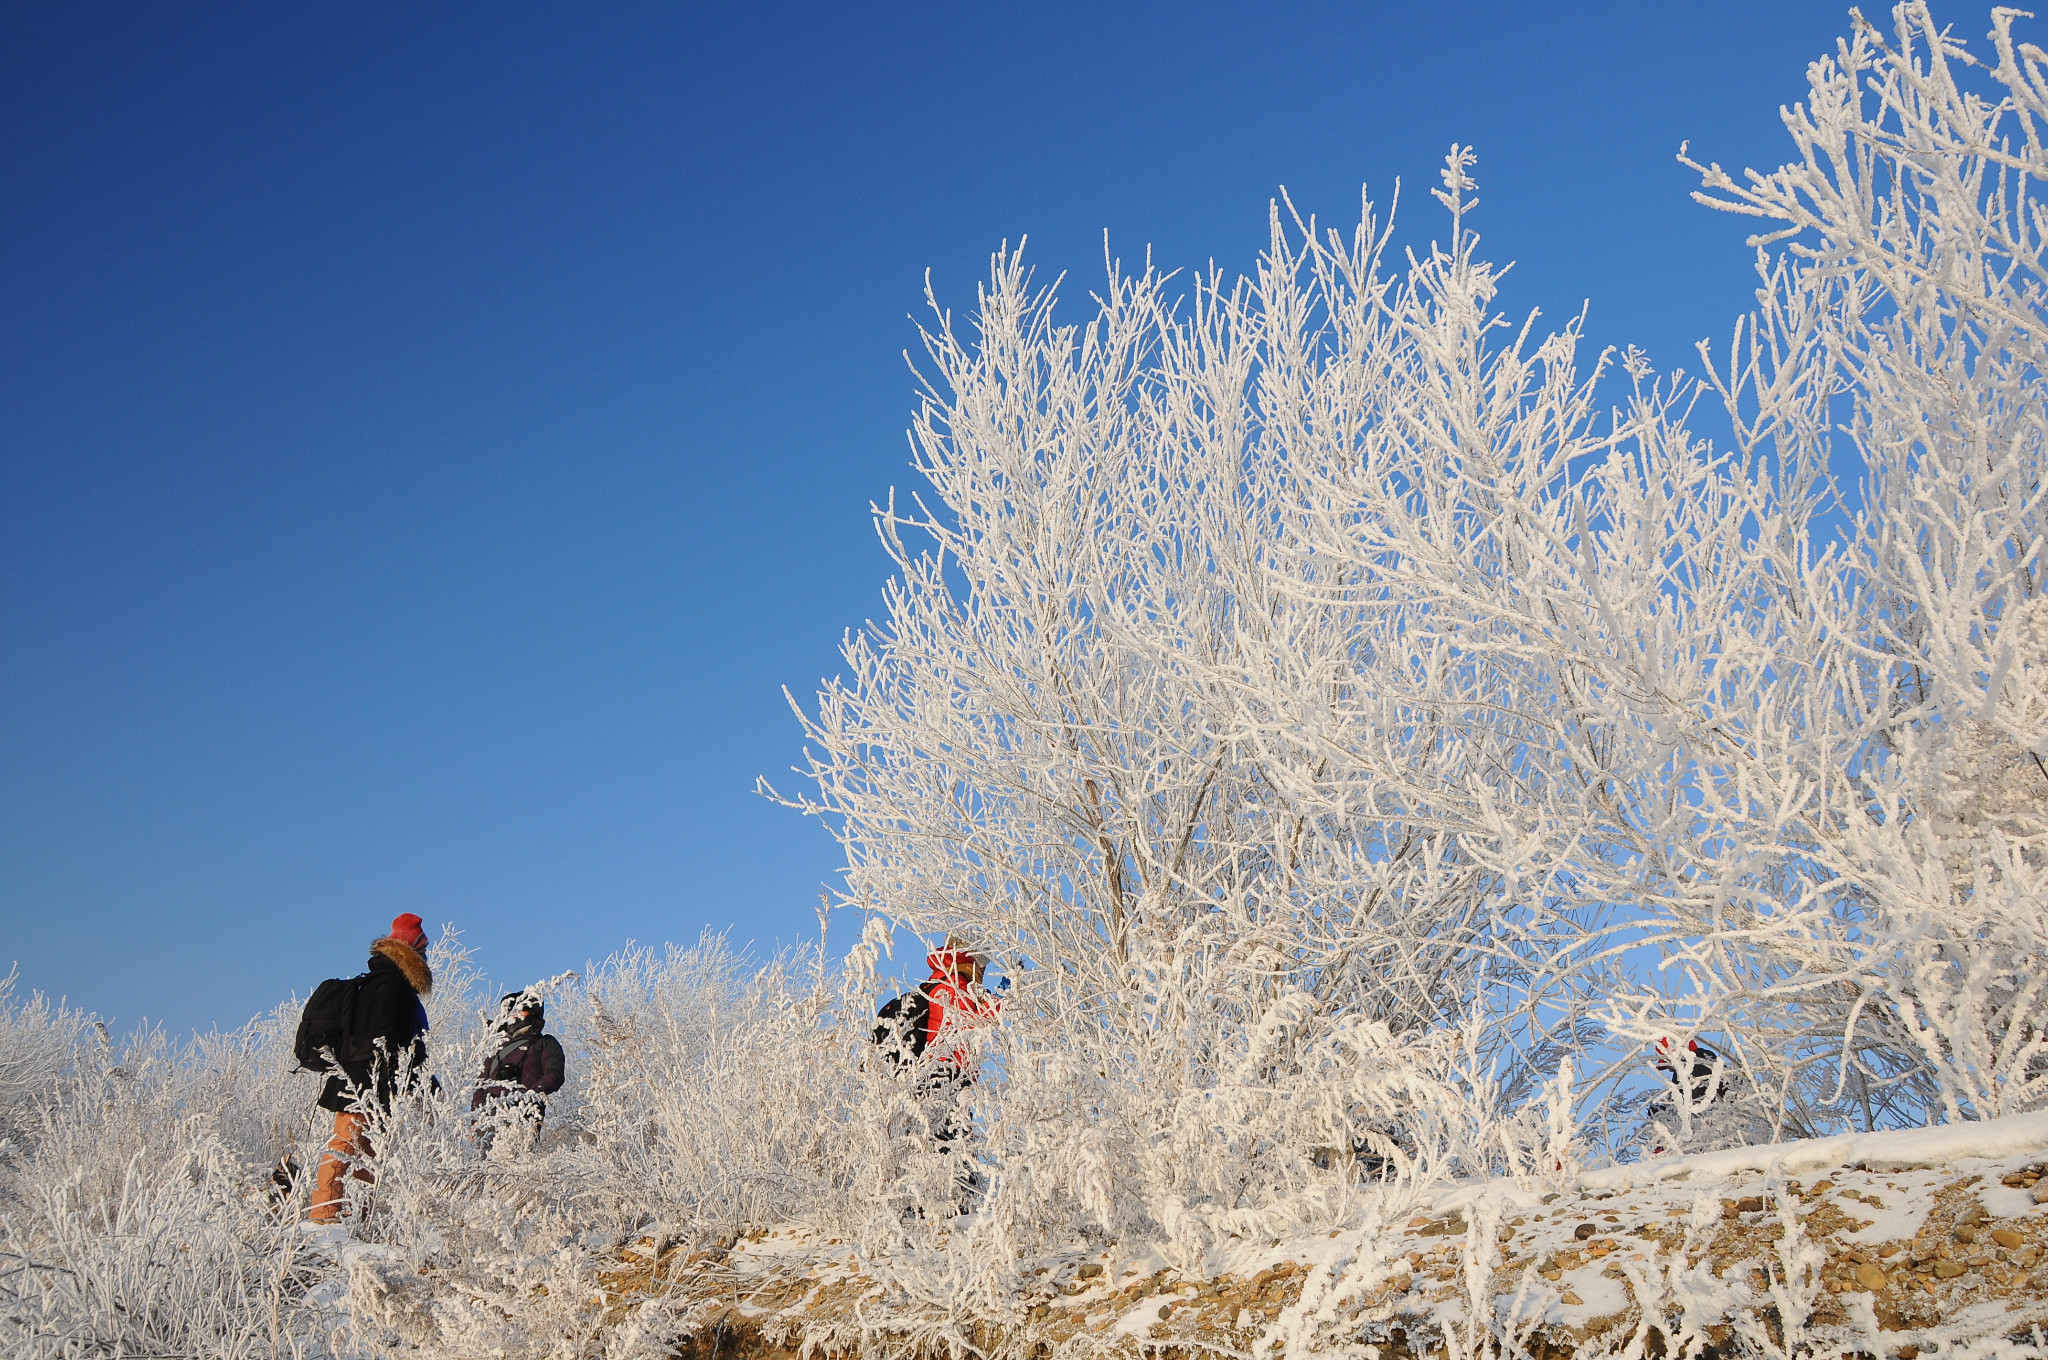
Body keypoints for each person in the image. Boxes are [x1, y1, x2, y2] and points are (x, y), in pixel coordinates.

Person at [307, 913, 434, 1225]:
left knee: (367, 1152)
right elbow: (390, 1039)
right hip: (364, 1082)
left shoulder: (385, 984)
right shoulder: (392, 988)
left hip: (368, 1081)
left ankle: (355, 1218)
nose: (427, 954)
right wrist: (415, 1080)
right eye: (423, 948)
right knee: (346, 1146)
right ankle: (324, 1216)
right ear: (411, 949)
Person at [471, 989, 565, 1153]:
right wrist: (474, 1120)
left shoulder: (544, 1043)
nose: (515, 1017)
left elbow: (554, 1075)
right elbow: (480, 1086)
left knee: (520, 1168)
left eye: (520, 1012)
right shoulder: (494, 1048)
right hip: (488, 1120)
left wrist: (530, 1096)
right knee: (485, 1172)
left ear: (532, 1013)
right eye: (512, 1014)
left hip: (523, 1116)